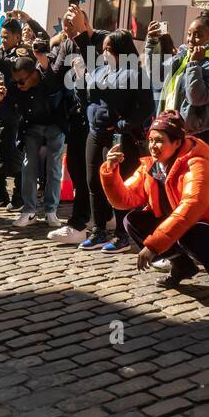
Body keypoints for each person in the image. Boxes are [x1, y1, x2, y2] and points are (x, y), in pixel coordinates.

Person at [101, 111, 209, 310]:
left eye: (160, 141)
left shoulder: (197, 165)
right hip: (186, 227)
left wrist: (153, 246)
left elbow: (191, 207)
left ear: (177, 143)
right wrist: (110, 171)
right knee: (133, 220)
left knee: (190, 232)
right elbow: (124, 199)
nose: (153, 146)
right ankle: (182, 266)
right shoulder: (152, 167)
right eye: (151, 140)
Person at [80, 28, 152, 252]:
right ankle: (98, 230)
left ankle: (122, 233)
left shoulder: (136, 74)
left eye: (109, 49)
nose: (105, 53)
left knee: (118, 184)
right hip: (95, 133)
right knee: (94, 182)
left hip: (119, 136)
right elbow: (87, 98)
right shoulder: (100, 70)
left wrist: (123, 124)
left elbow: (147, 107)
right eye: (104, 49)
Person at [46, 3, 104, 246]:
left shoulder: (99, 40)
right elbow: (55, 78)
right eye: (65, 25)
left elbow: (97, 70)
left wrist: (80, 34)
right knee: (79, 168)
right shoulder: (67, 43)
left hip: (99, 114)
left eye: (72, 24)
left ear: (84, 22)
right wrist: (41, 62)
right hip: (79, 114)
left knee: (91, 172)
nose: (67, 29)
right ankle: (99, 217)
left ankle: (81, 223)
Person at [5, 49, 68, 228]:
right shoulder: (15, 86)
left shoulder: (48, 78)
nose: (18, 84)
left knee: (54, 168)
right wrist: (2, 99)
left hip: (55, 126)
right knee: (28, 166)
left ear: (33, 74)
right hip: (31, 127)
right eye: (16, 81)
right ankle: (29, 210)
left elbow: (54, 85)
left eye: (22, 80)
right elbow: (7, 110)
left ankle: (50, 210)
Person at [147, 11, 209, 152]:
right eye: (189, 34)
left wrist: (194, 64)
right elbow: (156, 74)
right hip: (172, 129)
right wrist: (152, 43)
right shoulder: (182, 57)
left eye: (198, 35)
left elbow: (196, 98)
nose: (191, 39)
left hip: (197, 135)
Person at [0, 18, 30, 210]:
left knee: (15, 156)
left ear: (17, 37)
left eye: (6, 37)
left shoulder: (21, 53)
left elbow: (13, 68)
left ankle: (19, 196)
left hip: (15, 112)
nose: (2, 40)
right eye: (1, 36)